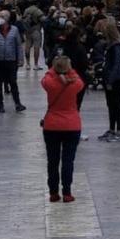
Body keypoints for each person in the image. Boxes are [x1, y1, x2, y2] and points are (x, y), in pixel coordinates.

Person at [41, 57, 84, 202]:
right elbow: (79, 80)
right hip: (72, 125)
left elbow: (46, 77)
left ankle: (53, 192)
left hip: (52, 125)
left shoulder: (49, 82)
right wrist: (69, 70)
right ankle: (67, 192)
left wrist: (55, 69)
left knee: (52, 161)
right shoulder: (75, 83)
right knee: (68, 161)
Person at [0, 11, 25, 112]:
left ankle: (17, 103)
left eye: (2, 16)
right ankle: (0, 104)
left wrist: (20, 59)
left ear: (7, 18)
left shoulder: (14, 30)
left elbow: (18, 45)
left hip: (11, 60)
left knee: (13, 82)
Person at [62, 26, 91, 110]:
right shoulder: (80, 48)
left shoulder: (63, 46)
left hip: (65, 77)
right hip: (78, 77)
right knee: (77, 103)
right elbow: (84, 64)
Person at [23, 2, 45, 70]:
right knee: (36, 47)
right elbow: (43, 19)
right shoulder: (38, 10)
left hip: (28, 30)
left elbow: (24, 19)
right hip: (36, 30)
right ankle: (36, 64)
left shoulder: (26, 10)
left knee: (27, 46)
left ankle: (27, 64)